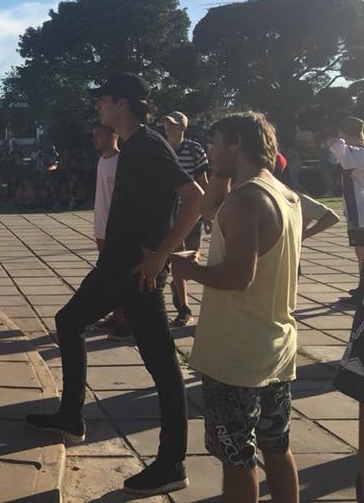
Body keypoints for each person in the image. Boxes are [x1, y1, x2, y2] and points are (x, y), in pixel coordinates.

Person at [26, 73, 203, 496]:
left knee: (162, 365)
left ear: (122, 104)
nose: (98, 107)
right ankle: (71, 416)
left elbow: (195, 197)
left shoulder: (149, 145)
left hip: (138, 273)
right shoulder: (131, 146)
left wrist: (161, 256)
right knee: (69, 322)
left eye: (103, 100)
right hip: (116, 267)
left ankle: (172, 463)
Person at [173, 113, 302, 503]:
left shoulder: (246, 200)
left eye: (215, 142)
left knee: (237, 458)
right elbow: (209, 208)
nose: (209, 151)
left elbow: (237, 277)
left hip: (236, 354)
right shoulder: (284, 194)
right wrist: (219, 172)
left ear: (237, 144)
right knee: (276, 446)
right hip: (274, 345)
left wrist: (187, 270)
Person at [163, 111, 209, 328]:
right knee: (178, 258)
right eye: (166, 123)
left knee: (192, 259)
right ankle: (184, 307)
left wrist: (207, 211)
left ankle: (177, 284)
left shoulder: (194, 150)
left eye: (172, 124)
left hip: (193, 211)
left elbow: (203, 181)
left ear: (182, 127)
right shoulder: (161, 148)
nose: (168, 127)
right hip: (171, 213)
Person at [89, 122, 131, 341]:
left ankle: (126, 322)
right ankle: (116, 316)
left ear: (113, 134)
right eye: (93, 135)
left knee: (118, 277)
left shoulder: (121, 162)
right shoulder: (102, 161)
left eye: (99, 134)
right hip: (101, 229)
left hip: (114, 231)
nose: (94, 139)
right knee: (110, 276)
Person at [328, 118, 364, 305]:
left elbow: (337, 148)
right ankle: (361, 288)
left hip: (361, 211)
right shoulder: (355, 152)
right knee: (360, 252)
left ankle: (362, 292)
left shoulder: (358, 152)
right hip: (355, 210)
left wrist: (337, 138)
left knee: (362, 252)